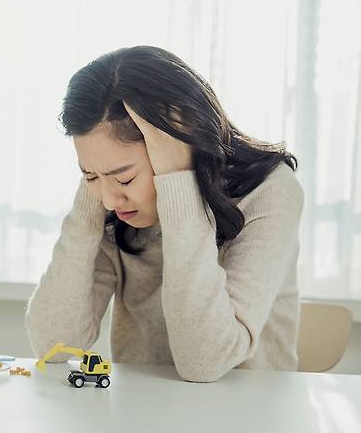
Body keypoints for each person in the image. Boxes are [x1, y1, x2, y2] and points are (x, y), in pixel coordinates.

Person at [26, 46, 303, 382]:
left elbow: (205, 363)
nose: (111, 200)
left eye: (125, 177)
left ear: (182, 144)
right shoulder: (114, 207)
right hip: (142, 411)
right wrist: (89, 204)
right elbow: (54, 343)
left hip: (250, 413)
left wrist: (178, 185)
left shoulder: (269, 191)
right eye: (89, 177)